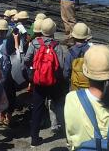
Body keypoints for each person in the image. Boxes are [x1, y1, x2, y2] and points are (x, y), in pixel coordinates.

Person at [24, 18, 65, 147]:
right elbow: (61, 66)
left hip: (38, 81)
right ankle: (63, 131)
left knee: (37, 109)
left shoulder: (35, 43)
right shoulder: (56, 46)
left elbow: (26, 60)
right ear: (53, 31)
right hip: (53, 82)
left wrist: (34, 69)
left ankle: (34, 139)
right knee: (58, 106)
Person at [64, 22, 93, 90]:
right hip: (90, 85)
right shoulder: (92, 50)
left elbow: (66, 72)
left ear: (73, 36)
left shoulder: (70, 52)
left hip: (75, 85)